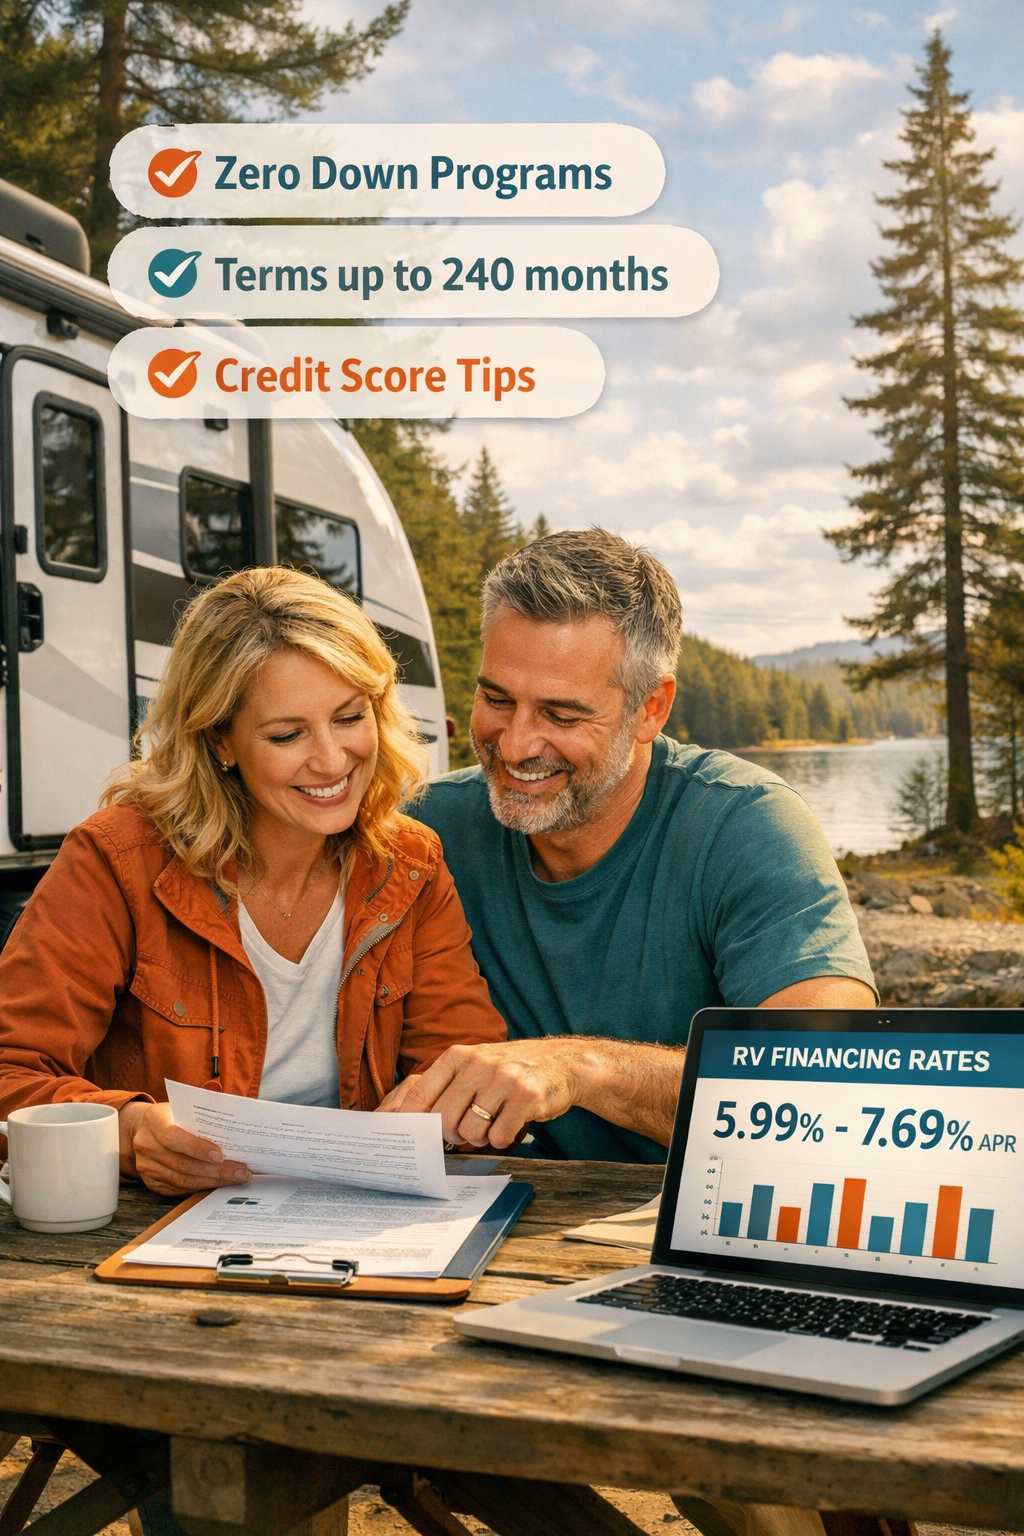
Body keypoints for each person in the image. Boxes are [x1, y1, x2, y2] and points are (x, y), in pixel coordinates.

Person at [0, 567, 505, 1194]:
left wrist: (458, 1109)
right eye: (287, 735)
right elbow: (10, 1070)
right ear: (220, 740)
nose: (331, 760)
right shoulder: (118, 859)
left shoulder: (409, 862)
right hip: (156, 1224)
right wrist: (128, 1134)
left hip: (358, 1211)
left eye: (350, 717)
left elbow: (464, 1065)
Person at [383, 529, 876, 1160]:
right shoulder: (424, 831)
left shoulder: (748, 825)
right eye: (496, 699)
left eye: (562, 715)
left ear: (651, 708)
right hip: (474, 1211)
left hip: (684, 1215)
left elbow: (831, 1082)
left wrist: (576, 1069)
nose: (514, 744)